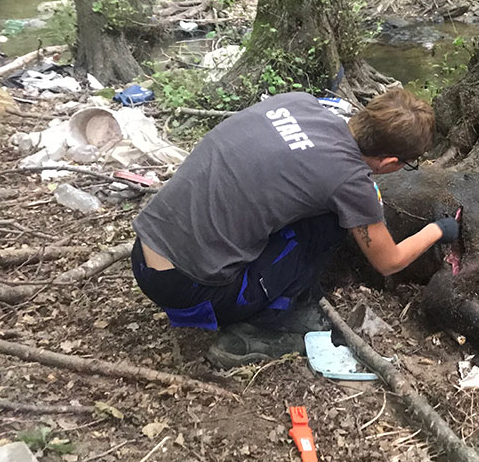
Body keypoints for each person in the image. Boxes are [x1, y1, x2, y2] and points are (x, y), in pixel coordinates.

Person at [130, 88, 458, 368]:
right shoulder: (350, 181)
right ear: (389, 163)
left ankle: (262, 294)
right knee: (329, 225)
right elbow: (389, 261)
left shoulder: (299, 102)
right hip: (188, 291)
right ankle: (264, 327)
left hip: (145, 248)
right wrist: (439, 230)